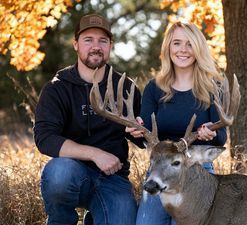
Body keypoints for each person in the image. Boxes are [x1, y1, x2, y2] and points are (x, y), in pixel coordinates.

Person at [34, 14, 142, 225]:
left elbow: (142, 139)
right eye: (88, 40)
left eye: (102, 41)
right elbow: (45, 138)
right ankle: (61, 220)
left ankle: (95, 218)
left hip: (113, 178)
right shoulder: (57, 88)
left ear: (110, 45)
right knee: (58, 174)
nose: (96, 46)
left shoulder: (125, 87)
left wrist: (140, 132)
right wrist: (95, 154)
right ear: (76, 44)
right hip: (72, 173)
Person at [126, 21, 227, 225]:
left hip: (197, 170)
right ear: (168, 48)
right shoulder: (154, 88)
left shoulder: (213, 87)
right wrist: (134, 131)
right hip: (160, 170)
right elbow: (142, 136)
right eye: (177, 43)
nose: (183, 50)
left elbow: (221, 137)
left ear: (198, 48)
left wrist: (210, 132)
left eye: (190, 44)